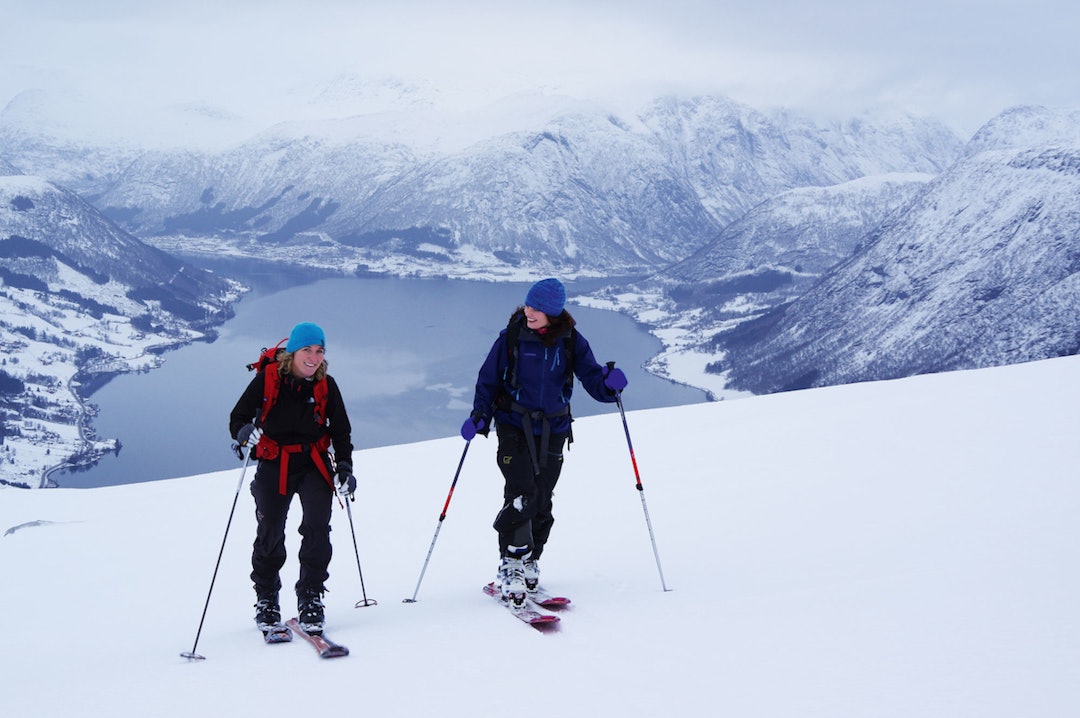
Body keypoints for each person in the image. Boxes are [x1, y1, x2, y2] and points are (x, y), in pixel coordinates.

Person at [461, 278, 628, 606]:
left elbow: (592, 378)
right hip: (513, 425)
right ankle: (512, 562)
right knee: (522, 493)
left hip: (554, 429)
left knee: (542, 497)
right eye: (528, 305)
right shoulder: (511, 338)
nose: (529, 311)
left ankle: (531, 557)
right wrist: (480, 416)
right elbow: (488, 380)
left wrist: (611, 387)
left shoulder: (571, 341)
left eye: (537, 308)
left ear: (552, 312)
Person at [229, 321, 356, 636]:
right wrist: (245, 433)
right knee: (270, 531)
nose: (313, 357)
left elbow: (341, 431)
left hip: (313, 462)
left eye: (319, 350)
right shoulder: (268, 380)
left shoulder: (327, 384)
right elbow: (238, 418)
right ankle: (267, 597)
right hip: (275, 462)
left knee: (317, 530)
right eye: (307, 350)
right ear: (292, 352)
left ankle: (310, 595)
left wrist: (345, 467)